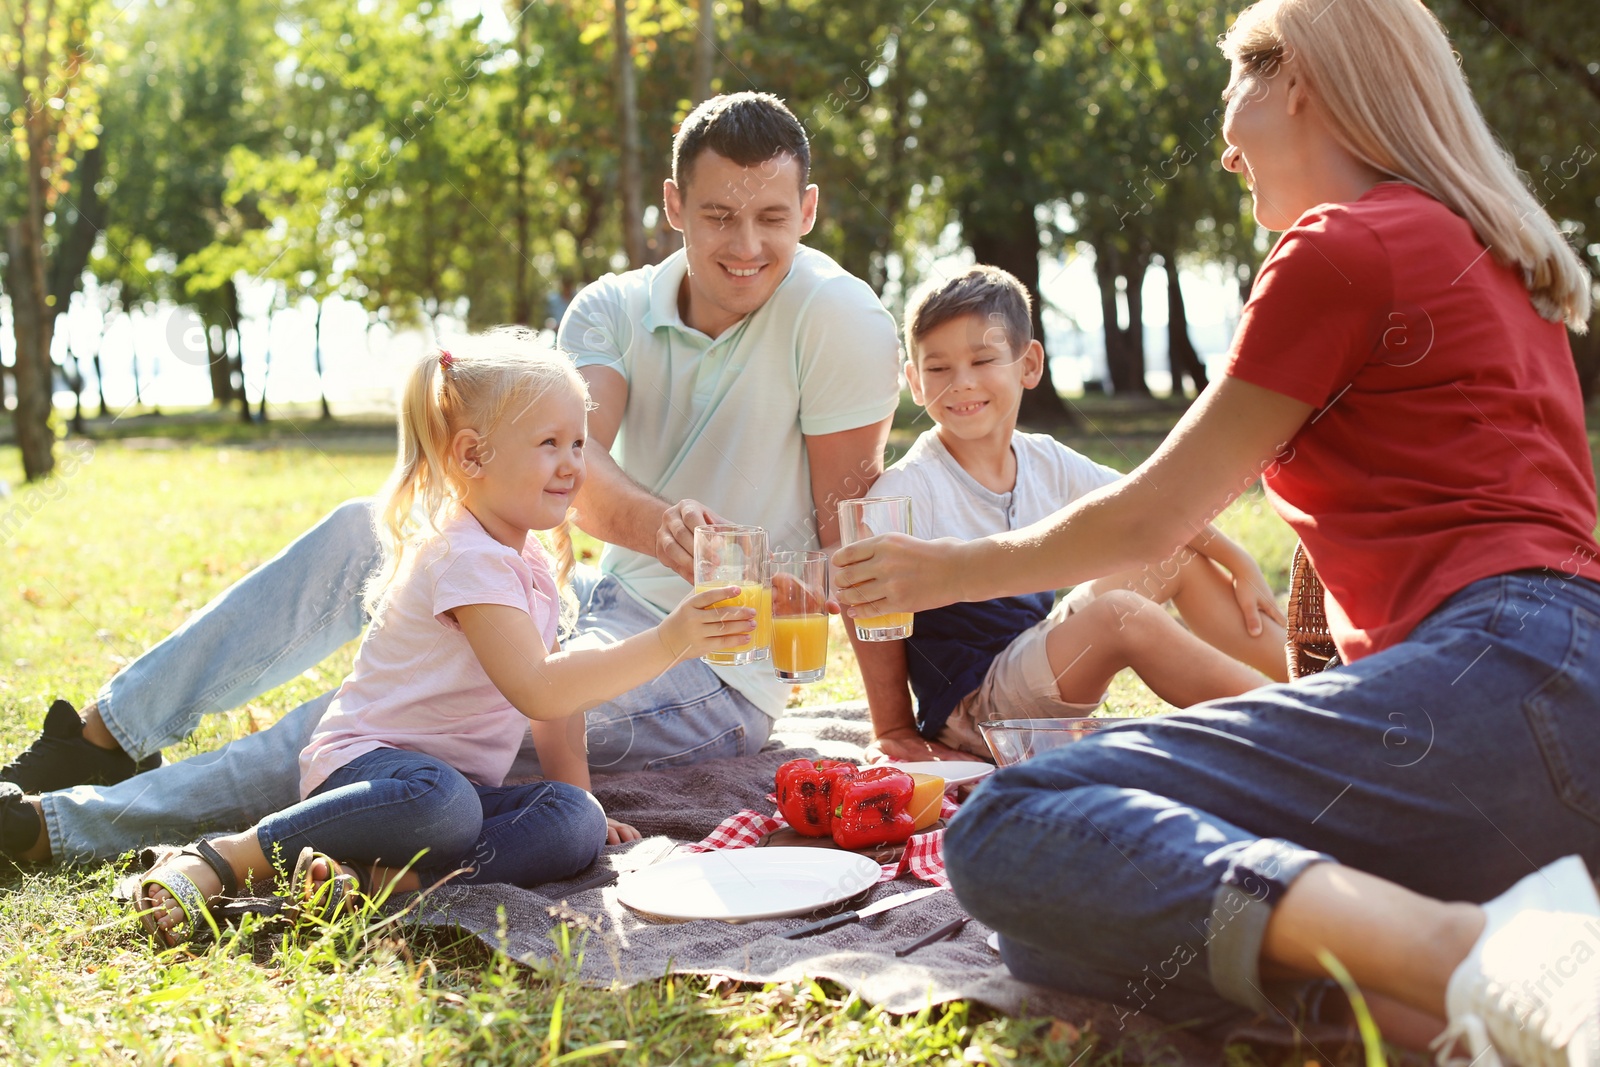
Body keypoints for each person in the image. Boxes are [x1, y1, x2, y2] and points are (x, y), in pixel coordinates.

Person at [833, 0, 1600, 1060]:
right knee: (1074, 917)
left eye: (1230, 90)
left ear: (1299, 82)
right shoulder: (1485, 249)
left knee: (1015, 824)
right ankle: (1467, 1004)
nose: (1225, 145)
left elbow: (1152, 514)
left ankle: (1466, 949)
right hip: (1548, 716)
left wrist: (942, 565)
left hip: (1501, 680)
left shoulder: (1343, 243)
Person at [0, 91, 900, 866]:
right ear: (674, 204)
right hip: (592, 592)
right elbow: (577, 470)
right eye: (717, 216)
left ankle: (66, 825)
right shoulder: (613, 308)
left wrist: (891, 721)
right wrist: (668, 528)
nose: (745, 244)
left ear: (808, 209)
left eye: (771, 218)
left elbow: (849, 525)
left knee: (394, 724)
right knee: (368, 527)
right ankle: (101, 737)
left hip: (715, 663)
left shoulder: (838, 319)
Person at [134, 333, 757, 946]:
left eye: (578, 443)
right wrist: (671, 639)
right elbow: (540, 689)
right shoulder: (466, 556)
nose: (574, 464)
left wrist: (582, 800)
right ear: (472, 456)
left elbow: (560, 699)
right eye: (549, 444)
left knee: (572, 824)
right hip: (371, 777)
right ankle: (232, 856)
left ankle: (383, 881)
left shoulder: (526, 556)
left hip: (459, 792)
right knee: (442, 805)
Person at [856, 266, 1287, 765]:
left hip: (1032, 660)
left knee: (1175, 557)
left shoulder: (1045, 459)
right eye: (937, 369)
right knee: (1119, 616)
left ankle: (1319, 686)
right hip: (977, 711)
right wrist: (892, 727)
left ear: (1029, 364)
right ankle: (1289, 725)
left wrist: (1238, 561)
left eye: (983, 359)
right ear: (914, 379)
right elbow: (856, 589)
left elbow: (1147, 508)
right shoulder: (910, 487)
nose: (961, 383)